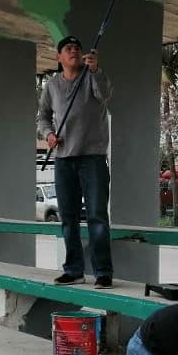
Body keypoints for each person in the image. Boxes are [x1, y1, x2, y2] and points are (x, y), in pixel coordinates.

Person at [36, 35, 114, 288]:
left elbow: (104, 95)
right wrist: (49, 135)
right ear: (59, 57)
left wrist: (96, 69)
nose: (74, 51)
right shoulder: (52, 86)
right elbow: (43, 118)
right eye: (68, 48)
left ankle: (103, 272)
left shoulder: (92, 75)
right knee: (67, 217)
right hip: (63, 159)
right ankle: (74, 270)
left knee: (97, 216)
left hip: (92, 157)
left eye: (77, 48)